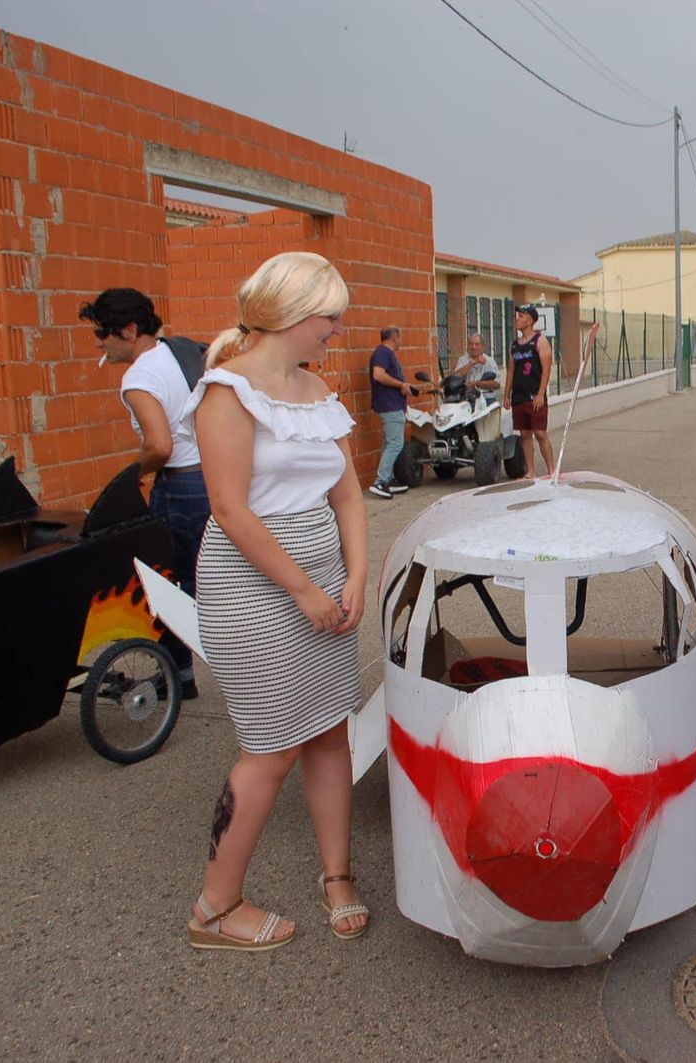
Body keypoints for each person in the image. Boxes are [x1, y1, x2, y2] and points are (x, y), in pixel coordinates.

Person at [181, 251, 370, 951]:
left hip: (323, 582)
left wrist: (355, 578)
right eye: (331, 317)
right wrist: (305, 590)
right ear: (294, 314)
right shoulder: (226, 392)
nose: (337, 330)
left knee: (327, 730)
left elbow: (347, 493)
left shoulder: (316, 390)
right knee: (271, 748)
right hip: (259, 587)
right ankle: (215, 906)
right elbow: (231, 510)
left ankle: (337, 874)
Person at [79, 288, 207, 701]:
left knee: (170, 585)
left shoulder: (137, 377)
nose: (99, 342)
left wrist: (131, 474)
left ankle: (179, 676)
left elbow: (160, 445)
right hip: (211, 478)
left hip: (181, 486)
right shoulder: (177, 352)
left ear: (129, 330)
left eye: (103, 333)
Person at [368, 327, 436, 498]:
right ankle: (380, 481)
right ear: (395, 338)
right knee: (396, 444)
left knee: (388, 443)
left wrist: (405, 388)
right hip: (389, 406)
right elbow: (378, 375)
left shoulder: (386, 354)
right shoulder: (382, 353)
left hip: (393, 405)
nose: (401, 342)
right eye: (400, 338)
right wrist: (400, 385)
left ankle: (388, 480)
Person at [508, 304, 555, 479]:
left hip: (534, 395)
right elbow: (511, 371)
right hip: (519, 396)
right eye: (517, 316)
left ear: (529, 320)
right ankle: (530, 471)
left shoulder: (540, 341)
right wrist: (507, 394)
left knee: (540, 433)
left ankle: (551, 470)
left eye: (520, 316)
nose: (517, 319)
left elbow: (546, 369)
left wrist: (541, 393)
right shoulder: (514, 345)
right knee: (525, 434)